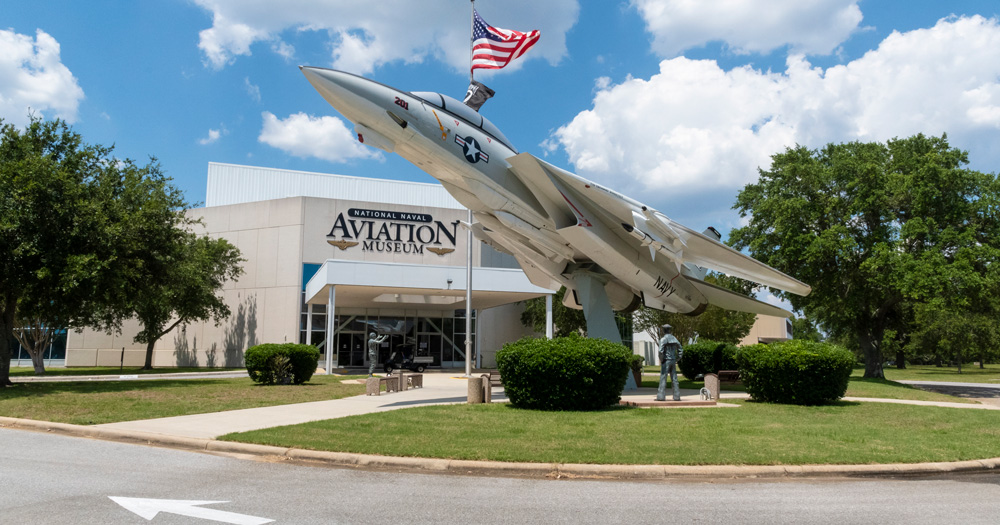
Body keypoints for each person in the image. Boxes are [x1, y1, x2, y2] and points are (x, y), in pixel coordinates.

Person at [657, 323, 684, 401]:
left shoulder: (663, 339)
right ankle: (677, 396)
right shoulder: (674, 339)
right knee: (674, 378)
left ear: (663, 330)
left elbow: (660, 351)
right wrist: (677, 359)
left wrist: (662, 360)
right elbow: (680, 350)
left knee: (663, 378)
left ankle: (661, 396)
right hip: (672, 360)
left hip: (666, 360)